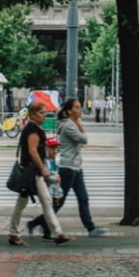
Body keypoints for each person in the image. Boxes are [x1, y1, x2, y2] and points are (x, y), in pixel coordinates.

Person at [7, 102, 72, 246]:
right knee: (42, 202)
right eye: (42, 113)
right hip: (32, 173)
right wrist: (43, 169)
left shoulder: (34, 128)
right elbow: (33, 151)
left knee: (32, 202)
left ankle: (55, 233)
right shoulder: (32, 130)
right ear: (33, 114)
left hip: (32, 172)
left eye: (45, 113)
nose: (44, 115)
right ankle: (56, 233)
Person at [44, 98, 108, 238]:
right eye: (77, 108)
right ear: (69, 111)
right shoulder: (69, 125)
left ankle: (90, 228)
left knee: (83, 198)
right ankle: (45, 224)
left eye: (80, 107)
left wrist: (77, 121)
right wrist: (78, 123)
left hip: (75, 167)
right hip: (68, 167)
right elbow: (84, 139)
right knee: (60, 199)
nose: (80, 110)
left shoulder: (69, 123)